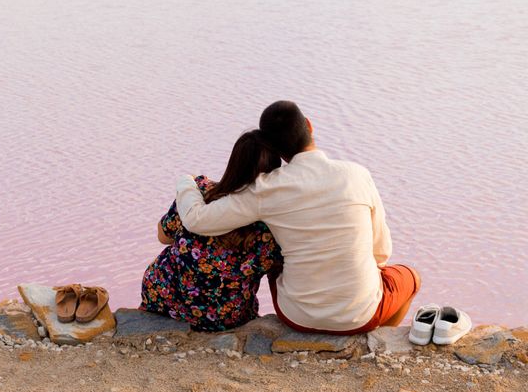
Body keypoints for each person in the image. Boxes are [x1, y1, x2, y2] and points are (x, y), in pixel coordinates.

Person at [175, 101, 421, 334]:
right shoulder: (357, 175)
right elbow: (381, 251)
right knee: (411, 277)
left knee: (279, 259)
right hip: (361, 315)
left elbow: (197, 219)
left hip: (297, 315)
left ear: (273, 148)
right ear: (309, 125)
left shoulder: (266, 188)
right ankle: (379, 338)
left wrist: (186, 181)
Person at [140, 130, 283, 332]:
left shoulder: (200, 191)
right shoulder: (273, 227)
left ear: (233, 164)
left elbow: (163, 236)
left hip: (164, 298)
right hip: (226, 316)